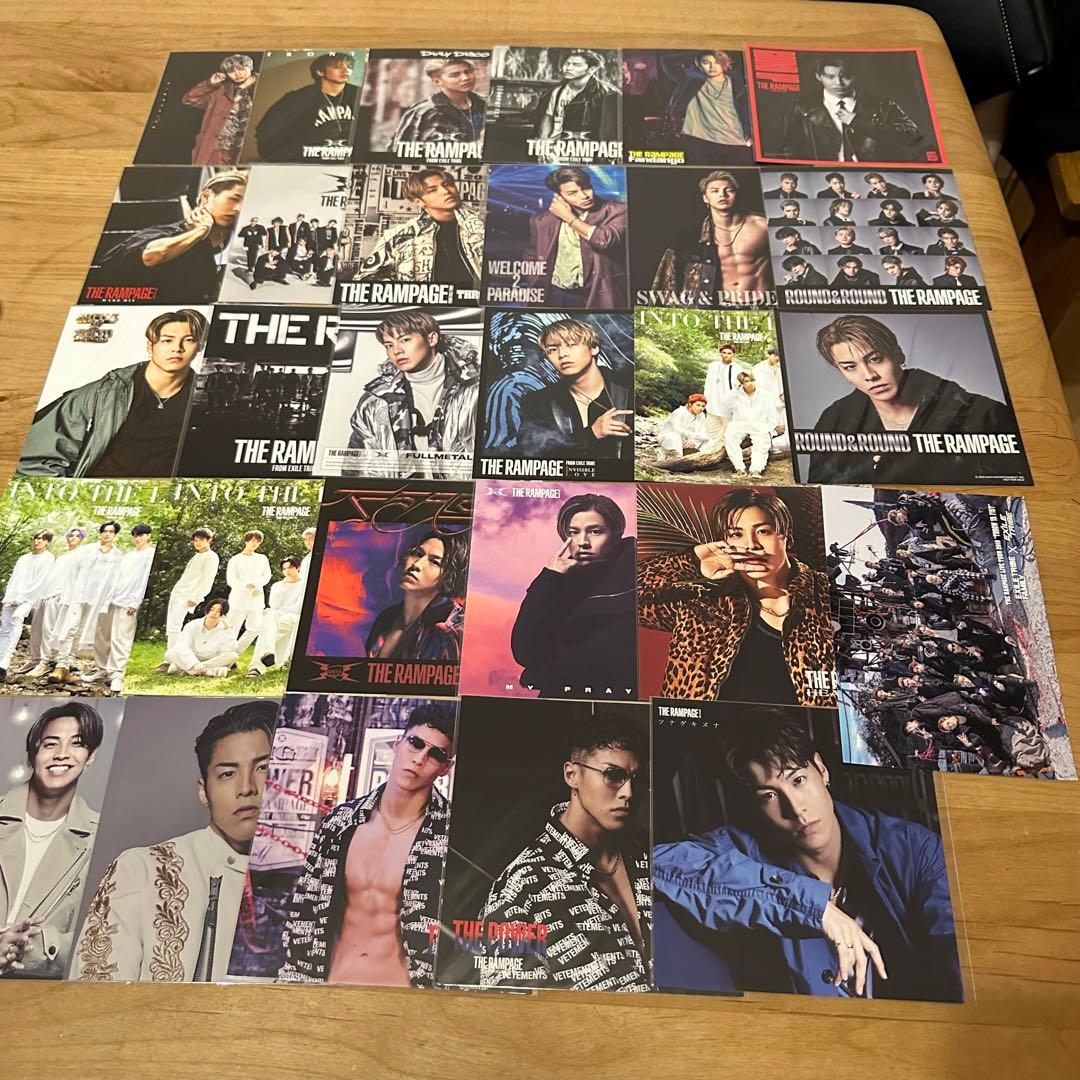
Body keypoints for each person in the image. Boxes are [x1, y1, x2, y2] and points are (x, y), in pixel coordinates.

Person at [653, 710, 963, 1001]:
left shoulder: (913, 847)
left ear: (822, 770)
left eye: (798, 780)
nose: (795, 808)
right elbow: (661, 864)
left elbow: (958, 953)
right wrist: (809, 905)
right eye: (769, 795)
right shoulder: (744, 847)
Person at [72, 701, 275, 982]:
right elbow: (94, 998)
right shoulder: (142, 870)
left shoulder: (319, 876)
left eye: (264, 768)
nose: (247, 788)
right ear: (204, 791)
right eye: (228, 773)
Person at [277, 703, 455, 987]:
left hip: (404, 995)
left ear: (445, 768)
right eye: (416, 743)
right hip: (333, 985)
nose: (420, 759)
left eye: (436, 754)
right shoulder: (341, 822)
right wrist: (294, 983)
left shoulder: (450, 836)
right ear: (398, 743)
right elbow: (305, 910)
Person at [477, 717, 651, 991]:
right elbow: (509, 1005)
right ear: (572, 775)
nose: (628, 793)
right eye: (613, 775)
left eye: (636, 779)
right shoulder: (523, 886)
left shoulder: (653, 854)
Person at [637, 489, 834, 705]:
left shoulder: (826, 594)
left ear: (787, 536)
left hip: (802, 726)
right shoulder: (703, 603)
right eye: (736, 534)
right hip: (705, 725)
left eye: (763, 531)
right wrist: (692, 561)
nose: (751, 545)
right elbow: (620, 596)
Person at [806, 314, 1023, 484]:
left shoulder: (983, 414)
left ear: (897, 354)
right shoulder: (834, 422)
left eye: (875, 359)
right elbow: (823, 489)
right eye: (850, 367)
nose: (869, 375)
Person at [18, 308, 209, 478]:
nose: (177, 348)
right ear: (151, 346)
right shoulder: (105, 392)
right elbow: (37, 456)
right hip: (97, 496)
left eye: (189, 340)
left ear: (198, 347)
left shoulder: (206, 400)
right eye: (167, 340)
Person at [0, 703, 104, 978]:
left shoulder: (99, 840)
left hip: (38, 994)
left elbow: (100, 939)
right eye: (50, 744)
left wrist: (29, 948)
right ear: (32, 753)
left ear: (91, 756)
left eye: (77, 744)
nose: (62, 754)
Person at [511, 493, 638, 697]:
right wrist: (549, 578)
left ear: (615, 535)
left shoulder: (638, 573)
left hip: (616, 701)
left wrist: (539, 674)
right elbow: (525, 652)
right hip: (558, 702)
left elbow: (610, 657)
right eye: (574, 532)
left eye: (595, 531)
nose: (582, 542)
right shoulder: (558, 581)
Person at [347, 310, 479, 472]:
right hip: (397, 489)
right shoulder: (375, 401)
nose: (396, 351)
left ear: (431, 339)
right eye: (389, 345)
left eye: (404, 340)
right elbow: (355, 467)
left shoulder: (477, 389)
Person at [92, 172, 246, 303]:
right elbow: (150, 256)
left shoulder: (243, 244)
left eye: (245, 203)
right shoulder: (167, 233)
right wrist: (201, 230)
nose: (238, 208)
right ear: (206, 197)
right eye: (234, 199)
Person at [516, 317, 633, 461]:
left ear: (594, 348)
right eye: (552, 349)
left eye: (571, 345)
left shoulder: (630, 387)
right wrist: (591, 434)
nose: (562, 354)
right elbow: (530, 453)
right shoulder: (537, 402)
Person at [355, 166, 484, 290]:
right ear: (419, 202)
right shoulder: (398, 237)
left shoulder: (483, 224)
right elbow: (364, 280)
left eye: (447, 185)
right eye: (433, 190)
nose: (445, 191)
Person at [780, 54, 925, 163]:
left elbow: (913, 137)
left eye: (846, 76)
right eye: (830, 77)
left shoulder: (882, 106)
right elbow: (790, 151)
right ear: (819, 76)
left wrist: (858, 122)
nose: (838, 83)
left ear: (854, 75)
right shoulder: (801, 108)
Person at [522, 166, 628, 309]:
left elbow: (605, 240)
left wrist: (568, 217)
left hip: (595, 294)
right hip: (553, 294)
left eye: (586, 188)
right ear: (559, 196)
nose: (584, 196)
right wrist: (532, 279)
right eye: (573, 193)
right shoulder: (541, 220)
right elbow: (531, 253)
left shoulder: (617, 211)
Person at [653, 170, 769, 300]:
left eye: (729, 190)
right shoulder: (691, 237)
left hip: (759, 304)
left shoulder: (763, 226)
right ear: (705, 198)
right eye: (715, 191)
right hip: (716, 306)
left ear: (736, 195)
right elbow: (669, 279)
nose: (722, 195)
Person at [365, 532, 469, 662]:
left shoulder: (452, 629)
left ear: (450, 575)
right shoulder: (385, 618)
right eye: (418, 554)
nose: (417, 565)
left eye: (434, 562)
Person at [48, 522, 123, 687]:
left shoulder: (117, 555)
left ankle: (67, 667)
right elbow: (72, 573)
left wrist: (106, 601)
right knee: (70, 629)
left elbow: (114, 580)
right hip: (78, 595)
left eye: (111, 532)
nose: (107, 534)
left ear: (115, 535)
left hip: (97, 600)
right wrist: (67, 593)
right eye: (104, 531)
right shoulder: (86, 550)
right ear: (100, 533)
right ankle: (60, 666)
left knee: (80, 632)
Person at [86, 523, 155, 693]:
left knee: (121, 638)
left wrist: (135, 602)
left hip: (128, 602)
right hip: (111, 599)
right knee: (102, 635)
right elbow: (115, 577)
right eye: (135, 535)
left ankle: (117, 674)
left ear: (148, 536)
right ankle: (102, 670)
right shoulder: (128, 556)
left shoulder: (150, 554)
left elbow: (144, 580)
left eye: (141, 535)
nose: (137, 538)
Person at [254, 52, 358, 161]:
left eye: (349, 67)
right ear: (320, 71)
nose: (346, 70)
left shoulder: (359, 95)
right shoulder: (298, 99)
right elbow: (266, 134)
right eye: (337, 67)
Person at [660, 50, 752, 164]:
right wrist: (698, 54)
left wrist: (748, 134)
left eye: (717, 62)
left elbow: (744, 109)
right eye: (706, 62)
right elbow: (666, 61)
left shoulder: (736, 81)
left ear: (725, 64)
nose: (712, 67)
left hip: (731, 139)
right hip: (697, 139)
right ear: (699, 65)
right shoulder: (691, 78)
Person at [23, 527, 86, 680]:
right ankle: (37, 660)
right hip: (48, 595)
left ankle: (46, 663)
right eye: (71, 535)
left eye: (77, 536)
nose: (73, 538)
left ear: (82, 539)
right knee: (40, 629)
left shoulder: (82, 555)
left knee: (52, 630)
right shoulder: (62, 557)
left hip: (63, 596)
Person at [389, 56, 487, 151]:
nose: (465, 78)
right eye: (455, 75)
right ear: (437, 82)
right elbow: (397, 153)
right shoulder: (420, 113)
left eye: (468, 72)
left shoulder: (487, 105)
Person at [179, 54, 258, 166]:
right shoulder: (221, 90)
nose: (237, 74)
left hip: (247, 151)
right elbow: (190, 99)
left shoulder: (265, 84)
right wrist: (209, 84)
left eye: (241, 69)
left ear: (250, 67)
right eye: (231, 71)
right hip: (217, 149)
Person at [532, 50, 620, 148]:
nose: (568, 68)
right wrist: (544, 144)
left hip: (586, 149)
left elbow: (610, 134)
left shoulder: (608, 94)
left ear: (591, 69)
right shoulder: (555, 92)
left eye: (576, 65)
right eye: (567, 64)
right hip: (555, 149)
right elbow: (548, 119)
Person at [0, 531, 56, 680]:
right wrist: (9, 597)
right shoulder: (24, 558)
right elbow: (14, 579)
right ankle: (0, 663)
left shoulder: (48, 558)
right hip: (12, 598)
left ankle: (5, 663)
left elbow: (39, 582)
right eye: (36, 538)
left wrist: (21, 598)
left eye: (42, 539)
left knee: (17, 619)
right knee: (4, 630)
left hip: (28, 598)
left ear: (47, 542)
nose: (38, 541)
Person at [246, 557, 306, 677]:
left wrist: (280, 611)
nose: (287, 571)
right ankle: (267, 652)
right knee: (270, 615)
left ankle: (256, 666)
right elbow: (274, 605)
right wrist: (283, 587)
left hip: (296, 617)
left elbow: (299, 607)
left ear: (298, 568)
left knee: (268, 624)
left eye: (290, 567)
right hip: (278, 616)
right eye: (284, 568)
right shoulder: (277, 586)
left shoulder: (305, 584)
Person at [164, 528, 220, 650]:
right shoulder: (197, 555)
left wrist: (196, 598)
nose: (197, 543)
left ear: (209, 540)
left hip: (188, 596)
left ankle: (171, 657)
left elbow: (207, 580)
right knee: (172, 626)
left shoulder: (211, 557)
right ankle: (173, 655)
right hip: (178, 593)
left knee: (175, 626)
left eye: (201, 540)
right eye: (195, 540)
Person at [162, 597, 240, 678]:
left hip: (212, 660)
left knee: (233, 656)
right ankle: (208, 671)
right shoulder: (193, 625)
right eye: (212, 609)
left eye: (219, 611)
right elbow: (183, 646)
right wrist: (195, 663)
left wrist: (228, 630)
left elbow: (229, 649)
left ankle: (185, 670)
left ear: (223, 614)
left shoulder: (226, 628)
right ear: (207, 610)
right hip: (191, 657)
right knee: (170, 653)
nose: (214, 613)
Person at [724, 371, 784, 477]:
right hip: (740, 424)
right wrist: (735, 390)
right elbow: (726, 403)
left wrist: (768, 427)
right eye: (746, 381)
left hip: (759, 425)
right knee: (730, 436)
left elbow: (772, 414)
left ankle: (756, 469)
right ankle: (739, 469)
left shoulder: (765, 395)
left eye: (752, 380)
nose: (750, 383)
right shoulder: (736, 394)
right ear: (741, 383)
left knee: (762, 442)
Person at [226, 531, 272, 656]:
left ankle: (234, 655)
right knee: (232, 629)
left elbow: (267, 576)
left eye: (258, 541)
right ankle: (225, 656)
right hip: (238, 600)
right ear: (246, 541)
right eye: (253, 540)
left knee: (256, 628)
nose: (255, 543)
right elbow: (231, 579)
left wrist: (256, 584)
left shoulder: (262, 558)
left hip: (256, 599)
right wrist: (248, 587)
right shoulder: (235, 559)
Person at [658, 393, 718, 459]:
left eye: (703, 406)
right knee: (675, 437)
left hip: (691, 441)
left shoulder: (701, 415)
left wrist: (693, 441)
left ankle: (701, 459)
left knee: (709, 441)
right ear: (690, 404)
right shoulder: (679, 412)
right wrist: (688, 440)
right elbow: (677, 430)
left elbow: (703, 433)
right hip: (670, 438)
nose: (700, 408)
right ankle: (670, 457)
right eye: (698, 405)